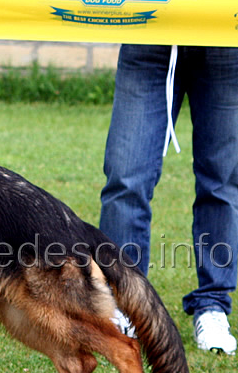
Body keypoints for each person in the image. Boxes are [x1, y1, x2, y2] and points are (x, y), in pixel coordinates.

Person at [100, 44, 238, 355]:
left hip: (225, 39)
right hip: (151, 34)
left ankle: (212, 305)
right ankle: (124, 303)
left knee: (222, 182)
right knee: (126, 178)